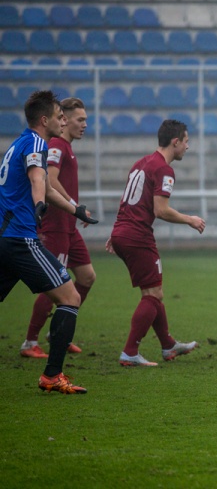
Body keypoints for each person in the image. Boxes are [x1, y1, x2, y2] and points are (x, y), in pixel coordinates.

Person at [1, 90, 98, 394]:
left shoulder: (19, 142)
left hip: (6, 238)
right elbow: (37, 180)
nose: (63, 121)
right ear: (45, 120)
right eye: (59, 116)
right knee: (70, 298)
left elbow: (46, 186)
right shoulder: (37, 142)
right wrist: (39, 203)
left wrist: (75, 209)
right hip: (20, 238)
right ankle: (52, 375)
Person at [107, 119, 206, 367]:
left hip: (123, 231)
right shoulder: (164, 169)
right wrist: (190, 220)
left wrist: (116, 233)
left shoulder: (141, 163)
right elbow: (160, 210)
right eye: (186, 142)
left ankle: (168, 345)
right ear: (175, 142)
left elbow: (127, 201)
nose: (187, 147)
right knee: (153, 294)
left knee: (152, 291)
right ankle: (130, 352)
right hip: (137, 235)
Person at [21, 97, 96, 359]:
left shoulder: (66, 146)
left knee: (86, 277)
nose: (84, 124)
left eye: (85, 119)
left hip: (69, 226)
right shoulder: (56, 146)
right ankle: (30, 342)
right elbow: (49, 181)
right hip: (55, 225)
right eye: (80, 120)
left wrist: (75, 212)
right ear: (64, 119)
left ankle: (59, 333)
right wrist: (75, 206)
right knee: (55, 283)